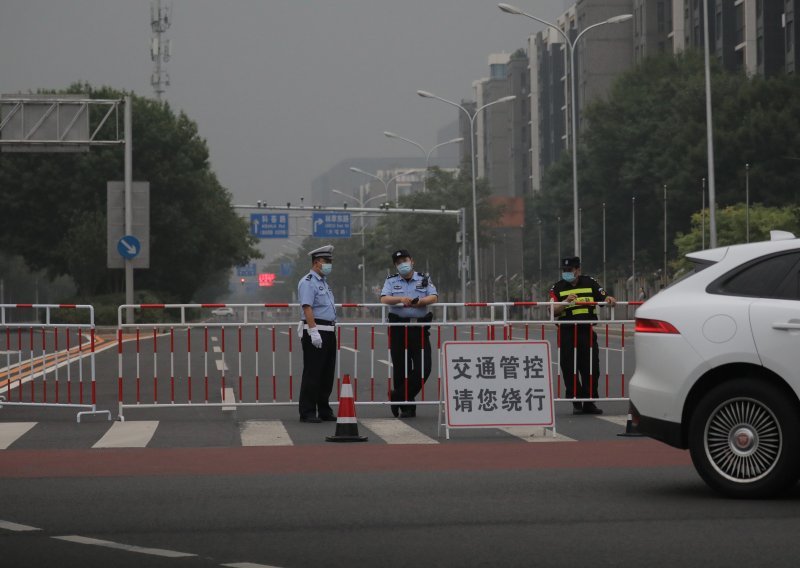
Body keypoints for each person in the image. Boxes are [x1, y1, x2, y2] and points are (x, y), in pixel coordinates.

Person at [549, 256, 616, 415]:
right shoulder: (557, 287)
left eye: (569, 270)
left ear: (578, 270)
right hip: (567, 332)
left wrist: (609, 299)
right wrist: (565, 302)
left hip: (586, 331)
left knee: (591, 367)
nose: (566, 273)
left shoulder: (590, 283)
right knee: (569, 367)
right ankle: (576, 401)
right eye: (564, 270)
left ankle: (589, 401)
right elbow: (552, 309)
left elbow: (604, 297)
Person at [380, 249, 438, 418]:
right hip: (398, 328)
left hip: (419, 329)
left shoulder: (423, 279)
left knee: (424, 368)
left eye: (404, 260)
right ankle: (407, 407)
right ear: (395, 266)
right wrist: (400, 299)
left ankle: (397, 396)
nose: (402, 264)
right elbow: (384, 298)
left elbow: (434, 296)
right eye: (398, 263)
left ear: (412, 261)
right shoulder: (391, 281)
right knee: (401, 368)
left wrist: (421, 302)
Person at [297, 244, 338, 423]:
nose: (329, 264)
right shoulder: (307, 282)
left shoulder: (323, 283)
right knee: (313, 373)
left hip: (329, 330)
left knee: (326, 374)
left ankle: (324, 409)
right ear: (316, 263)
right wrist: (313, 331)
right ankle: (307, 411)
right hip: (317, 329)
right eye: (326, 261)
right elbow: (307, 308)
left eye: (330, 261)